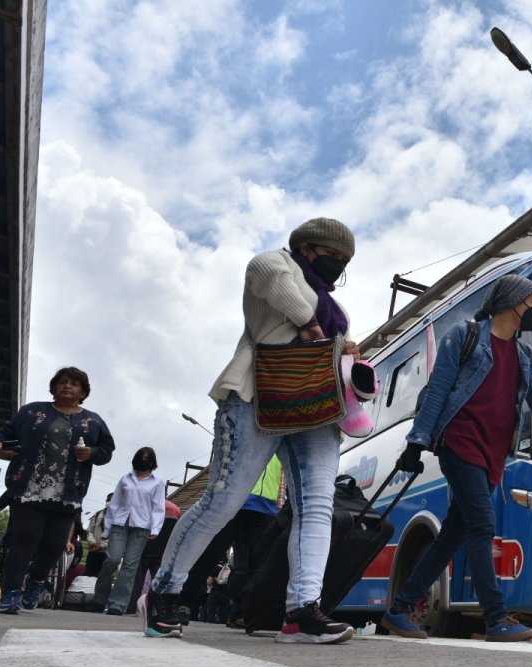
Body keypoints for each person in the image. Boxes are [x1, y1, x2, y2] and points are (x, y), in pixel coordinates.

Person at [141, 218, 358, 644]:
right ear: (305, 247)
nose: (336, 266)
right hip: (256, 395)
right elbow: (280, 287)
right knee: (222, 499)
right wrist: (317, 331)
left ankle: (302, 610)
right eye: (331, 255)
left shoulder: (338, 310)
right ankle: (164, 593)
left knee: (316, 506)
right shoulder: (273, 264)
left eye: (344, 262)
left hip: (316, 407)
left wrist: (346, 349)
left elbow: (341, 341)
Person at [380, 274, 532, 643]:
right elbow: (439, 390)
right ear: (512, 301)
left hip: (494, 452)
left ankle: (398, 609)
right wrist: (417, 441)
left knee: (451, 537)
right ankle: (495, 618)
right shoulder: (465, 336)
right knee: (482, 525)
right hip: (461, 444)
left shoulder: (524, 354)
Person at [0, 366, 115, 615]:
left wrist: (91, 453)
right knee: (25, 537)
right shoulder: (32, 411)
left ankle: (35, 581)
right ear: (54, 387)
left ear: (83, 392)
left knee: (55, 543)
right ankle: (11, 591)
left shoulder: (94, 421)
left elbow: (107, 450)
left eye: (75, 384)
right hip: (28, 487)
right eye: (63, 382)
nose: (68, 386)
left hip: (68, 492)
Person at [175, 457, 282, 627]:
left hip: (265, 508)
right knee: (210, 554)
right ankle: (183, 603)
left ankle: (240, 613)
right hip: (233, 501)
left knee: (252, 564)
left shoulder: (282, 439)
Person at [94, 447, 165, 615]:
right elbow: (115, 504)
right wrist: (107, 529)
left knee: (129, 567)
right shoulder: (126, 478)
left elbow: (158, 507)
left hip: (141, 527)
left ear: (153, 462)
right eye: (141, 458)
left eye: (148, 459)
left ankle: (117, 604)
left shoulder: (157, 481)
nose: (144, 461)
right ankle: (99, 599)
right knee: (112, 559)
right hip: (120, 523)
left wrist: (155, 528)